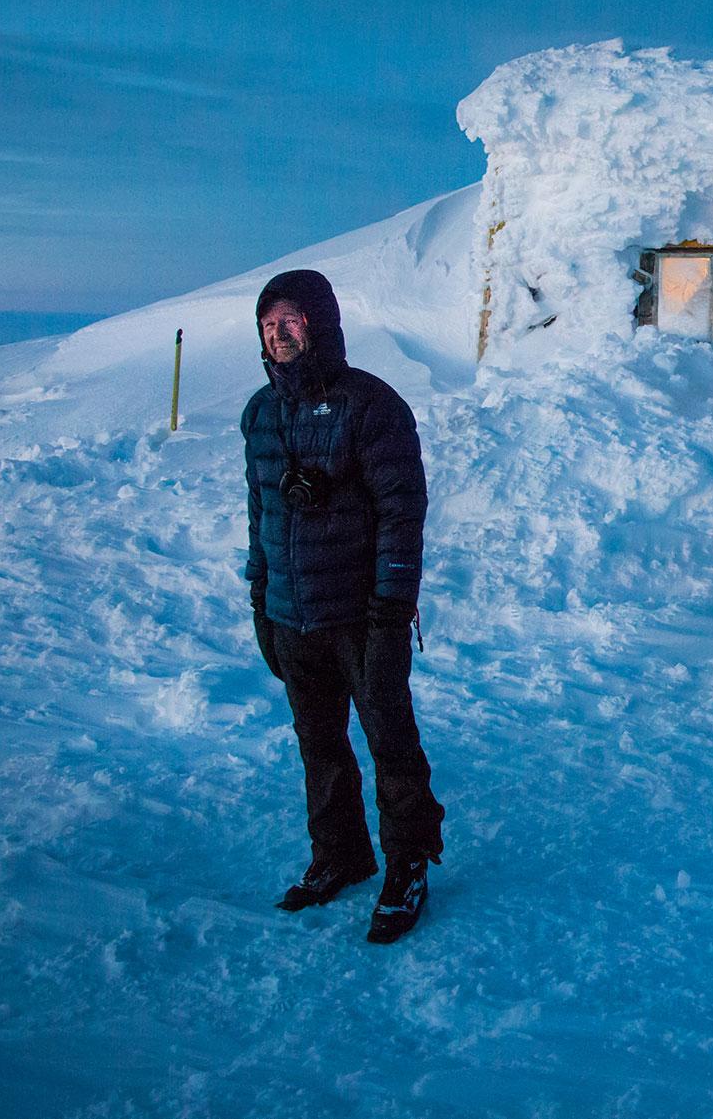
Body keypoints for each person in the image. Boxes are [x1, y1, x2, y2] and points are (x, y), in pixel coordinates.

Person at [241, 268, 445, 944]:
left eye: (291, 320)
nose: (279, 333)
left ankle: (407, 862)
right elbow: (260, 512)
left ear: (320, 325)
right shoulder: (262, 414)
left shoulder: (371, 406)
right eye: (269, 323)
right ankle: (342, 852)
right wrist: (260, 597)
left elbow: (401, 511)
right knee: (320, 744)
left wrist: (391, 609)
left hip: (363, 615)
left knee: (390, 740)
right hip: (293, 613)